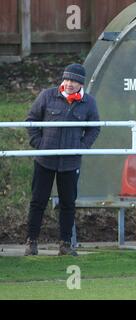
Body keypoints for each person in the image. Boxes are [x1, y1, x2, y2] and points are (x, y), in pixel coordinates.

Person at [24, 63, 100, 256]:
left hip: (70, 163)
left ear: (81, 84)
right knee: (37, 201)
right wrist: (39, 143)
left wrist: (81, 147)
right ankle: (31, 242)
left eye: (74, 80)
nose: (69, 84)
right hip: (45, 160)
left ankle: (65, 244)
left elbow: (94, 128)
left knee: (68, 203)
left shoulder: (89, 103)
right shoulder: (47, 96)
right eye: (66, 79)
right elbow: (31, 120)